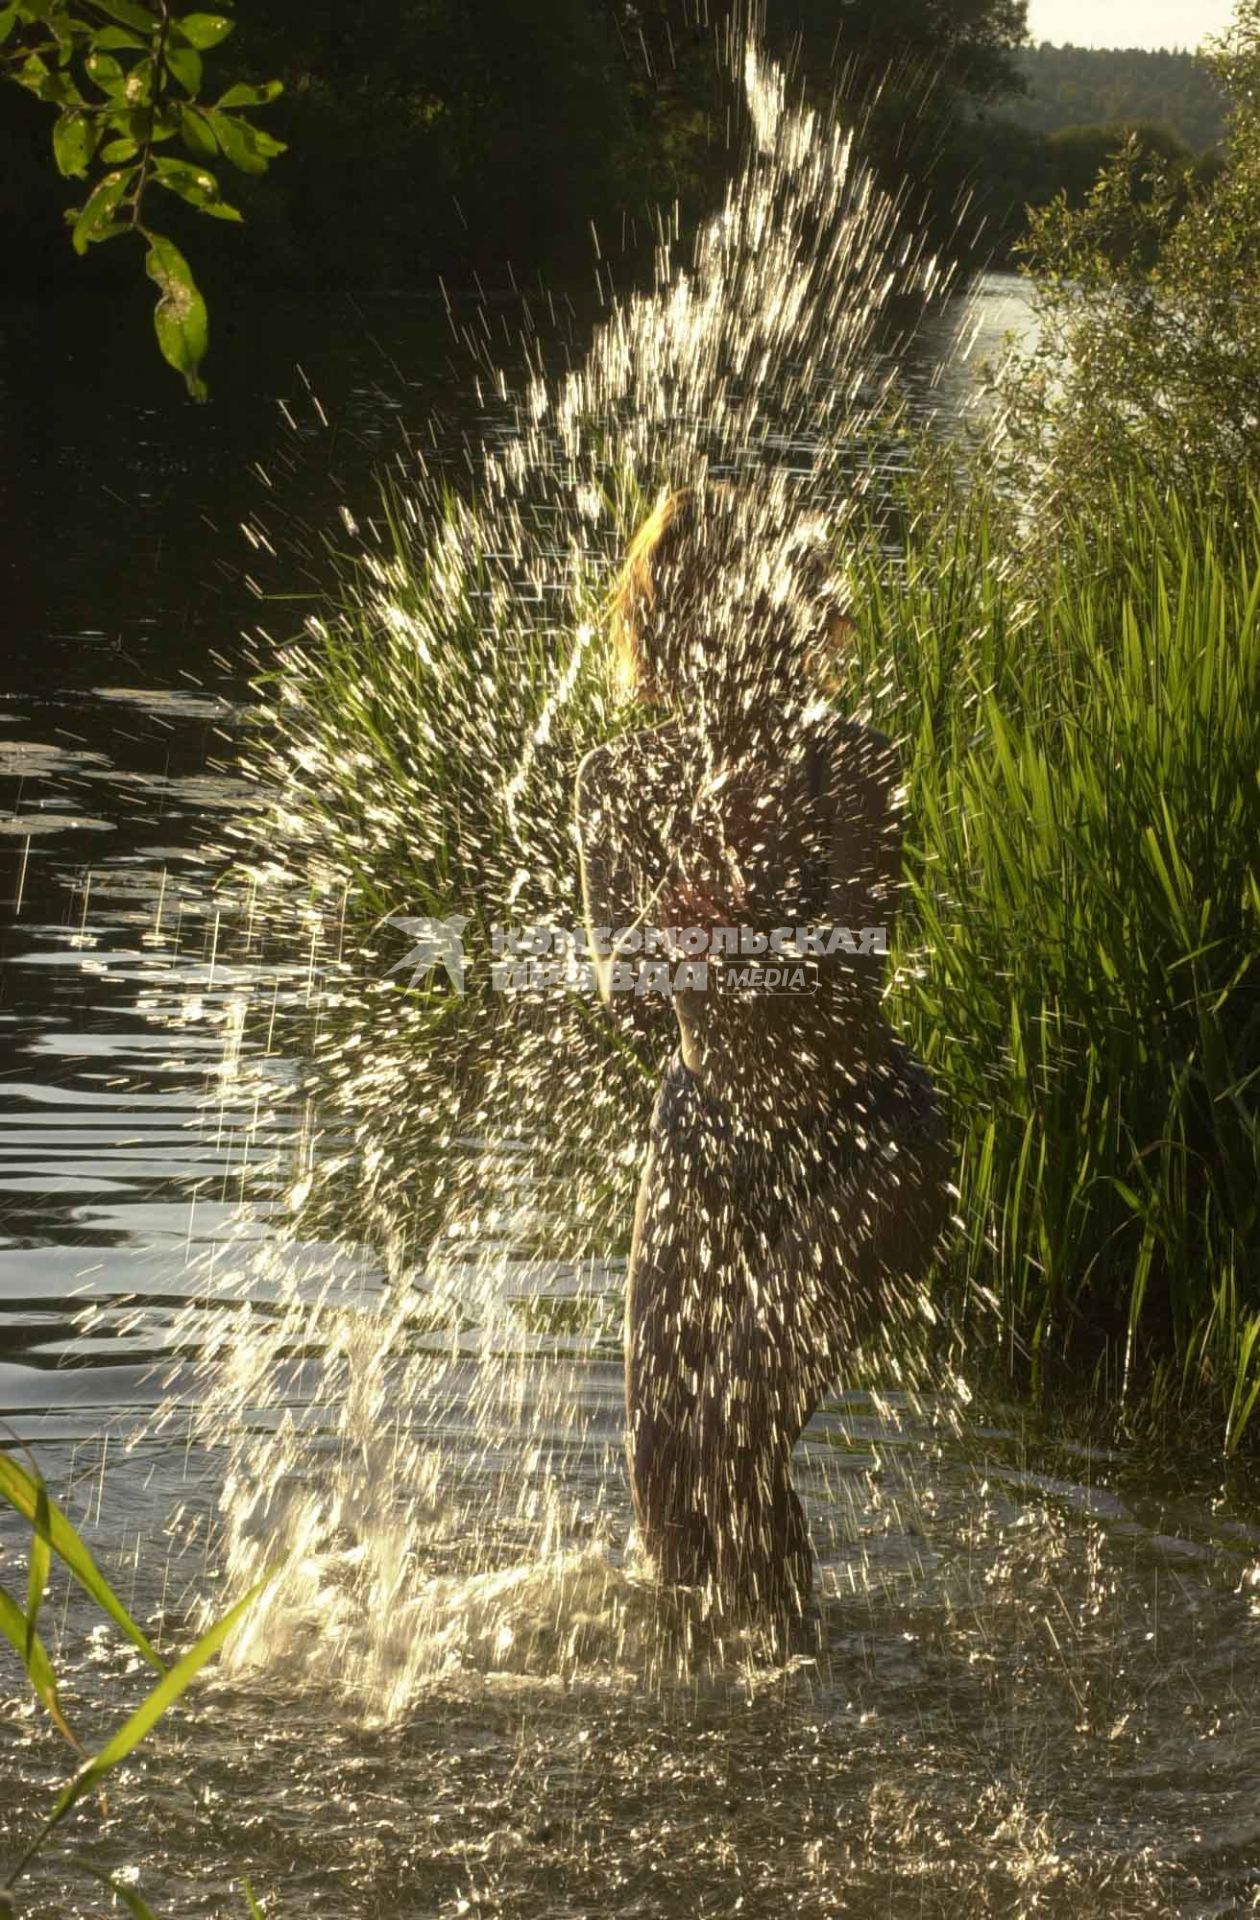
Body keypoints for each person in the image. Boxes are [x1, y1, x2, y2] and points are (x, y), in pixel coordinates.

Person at [574, 481, 951, 1627]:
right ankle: (716, 1719)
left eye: (747, 605)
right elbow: (628, 1001)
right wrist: (667, 939)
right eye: (689, 612)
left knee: (736, 1433)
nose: (720, 635)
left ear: (789, 618)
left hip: (865, 1143)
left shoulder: (852, 768)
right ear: (665, 631)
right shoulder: (620, 783)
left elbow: (848, 962)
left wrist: (741, 939)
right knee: (665, 1487)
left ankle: (788, 1692)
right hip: (701, 1138)